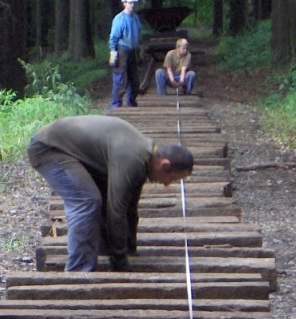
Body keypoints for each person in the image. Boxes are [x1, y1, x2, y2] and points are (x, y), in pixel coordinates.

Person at [27, 115, 194, 272]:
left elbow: (130, 207)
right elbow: (116, 211)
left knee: (103, 195)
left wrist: (129, 247)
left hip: (72, 151)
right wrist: (119, 260)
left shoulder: (145, 158)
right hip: (49, 148)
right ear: (164, 165)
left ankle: (101, 251)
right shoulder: (133, 158)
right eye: (171, 178)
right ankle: (78, 272)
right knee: (87, 201)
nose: (166, 184)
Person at [108, 0, 142, 108]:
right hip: (122, 50)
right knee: (120, 79)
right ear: (125, 3)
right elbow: (113, 37)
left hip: (133, 51)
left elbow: (138, 35)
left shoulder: (135, 18)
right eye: (130, 2)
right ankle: (116, 104)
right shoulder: (119, 19)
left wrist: (139, 51)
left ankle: (131, 102)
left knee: (134, 80)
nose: (132, 5)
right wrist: (113, 52)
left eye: (133, 2)